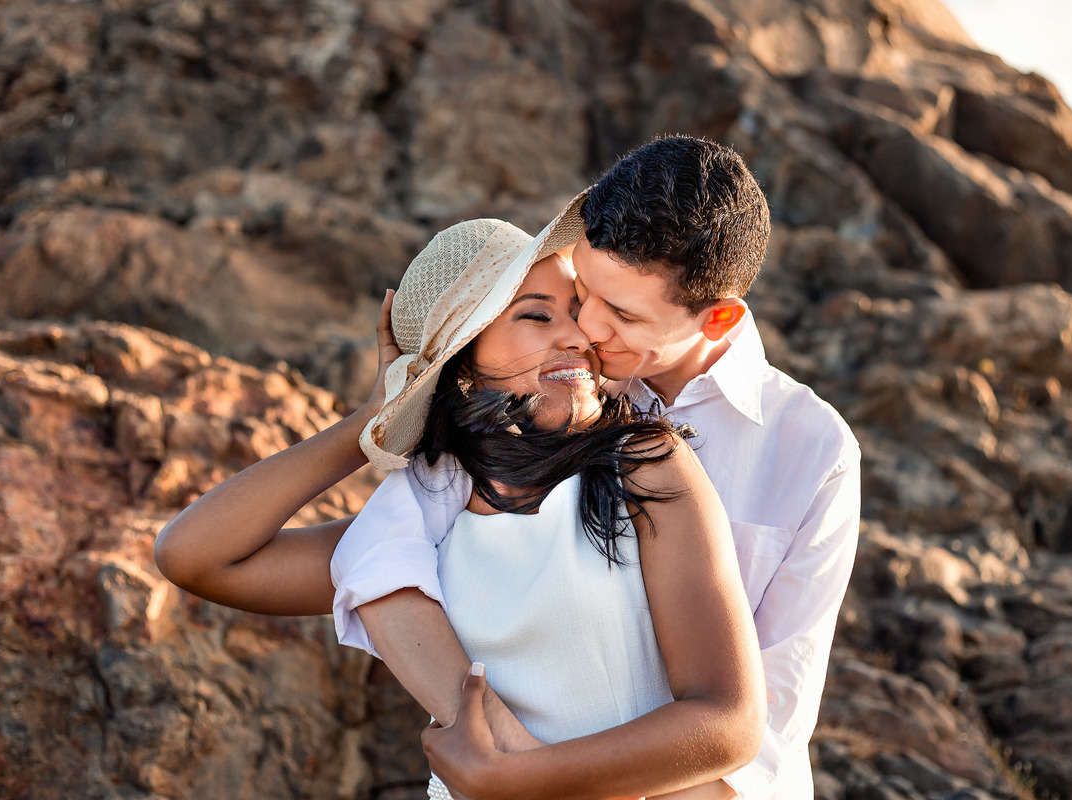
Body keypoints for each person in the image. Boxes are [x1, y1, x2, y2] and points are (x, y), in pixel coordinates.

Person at [154, 214, 766, 799]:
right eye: (536, 315)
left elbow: (729, 722)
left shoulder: (641, 463)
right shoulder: (416, 529)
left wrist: (521, 780)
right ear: (465, 355)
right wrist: (370, 423)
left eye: (579, 311)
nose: (580, 337)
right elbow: (195, 555)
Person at [334, 135, 862, 798]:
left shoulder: (812, 449)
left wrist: (519, 779)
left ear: (719, 318)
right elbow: (373, 560)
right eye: (585, 291)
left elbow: (765, 729)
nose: (586, 327)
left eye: (621, 313)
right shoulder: (549, 398)